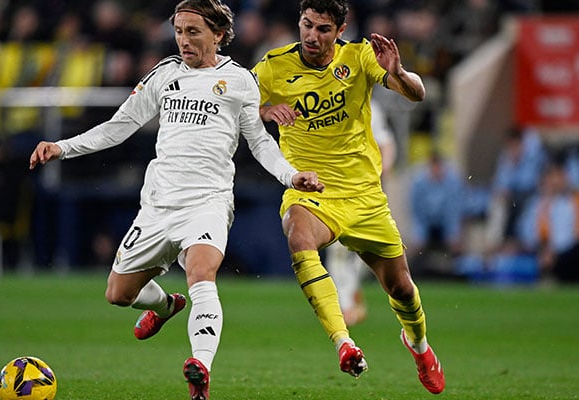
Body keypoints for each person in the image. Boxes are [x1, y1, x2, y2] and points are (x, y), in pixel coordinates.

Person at [29, 1, 323, 399]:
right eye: (179, 31)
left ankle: (200, 366)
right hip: (159, 202)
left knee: (202, 272)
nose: (183, 40)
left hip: (208, 199)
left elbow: (258, 142)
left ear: (218, 34)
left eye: (193, 31)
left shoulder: (238, 80)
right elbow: (120, 126)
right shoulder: (164, 74)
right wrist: (62, 147)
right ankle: (167, 306)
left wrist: (291, 175)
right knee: (118, 294)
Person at [251, 0, 445, 394]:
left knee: (402, 288)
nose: (311, 36)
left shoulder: (359, 57)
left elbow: (418, 94)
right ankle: (344, 343)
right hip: (312, 190)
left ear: (340, 30)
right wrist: (265, 110)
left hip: (364, 195)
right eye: (306, 25)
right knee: (299, 237)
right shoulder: (272, 66)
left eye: (323, 29)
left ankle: (419, 344)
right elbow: (233, 105)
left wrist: (399, 73)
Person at [325, 98, 397, 325]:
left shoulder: (370, 106)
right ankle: (345, 304)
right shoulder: (330, 100)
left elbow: (386, 142)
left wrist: (382, 171)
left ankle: (350, 294)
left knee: (365, 248)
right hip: (338, 188)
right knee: (337, 248)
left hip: (365, 190)